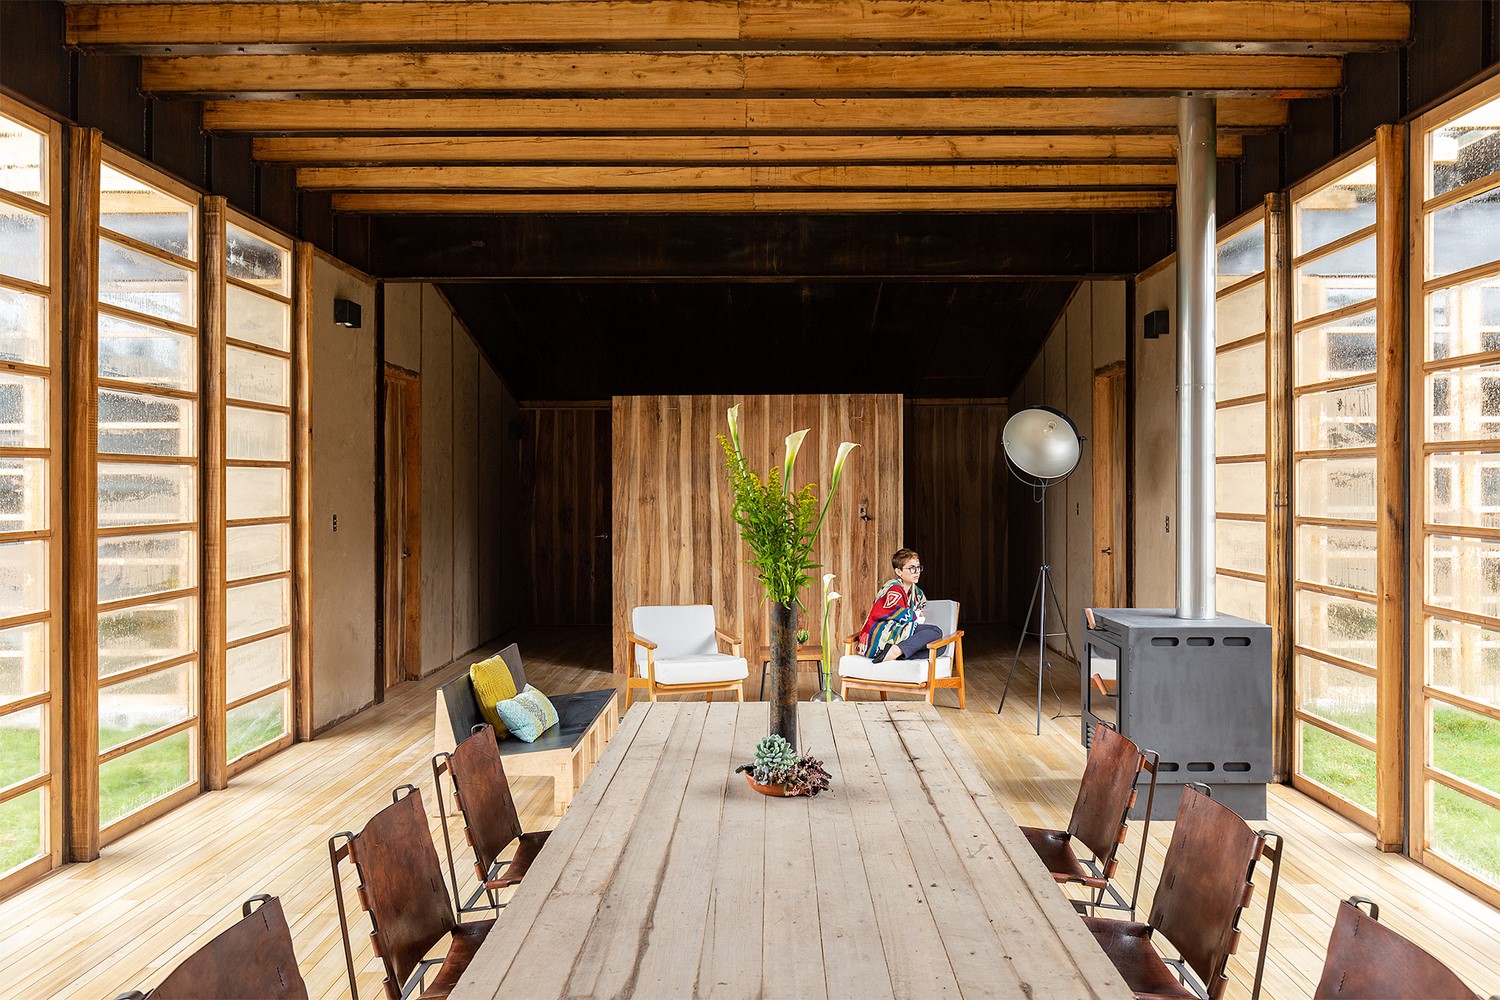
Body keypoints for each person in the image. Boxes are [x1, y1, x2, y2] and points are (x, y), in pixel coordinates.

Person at [857, 548, 943, 663]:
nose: (917, 572)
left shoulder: (917, 593)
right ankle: (895, 651)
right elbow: (892, 611)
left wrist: (916, 616)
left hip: (901, 632)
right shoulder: (893, 589)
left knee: (940, 647)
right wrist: (915, 616)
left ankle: (892, 654)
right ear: (899, 572)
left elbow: (918, 611)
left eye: (918, 568)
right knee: (935, 631)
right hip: (884, 632)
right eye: (912, 568)